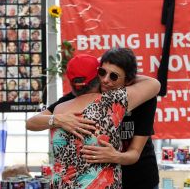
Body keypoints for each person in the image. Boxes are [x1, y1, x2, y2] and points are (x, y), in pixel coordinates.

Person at [26, 48, 160, 188]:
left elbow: (135, 152)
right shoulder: (80, 96)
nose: (105, 80)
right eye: (101, 72)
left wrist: (115, 156)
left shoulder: (143, 98)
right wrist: (58, 119)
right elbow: (32, 123)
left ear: (128, 80)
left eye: (114, 76)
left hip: (140, 178)